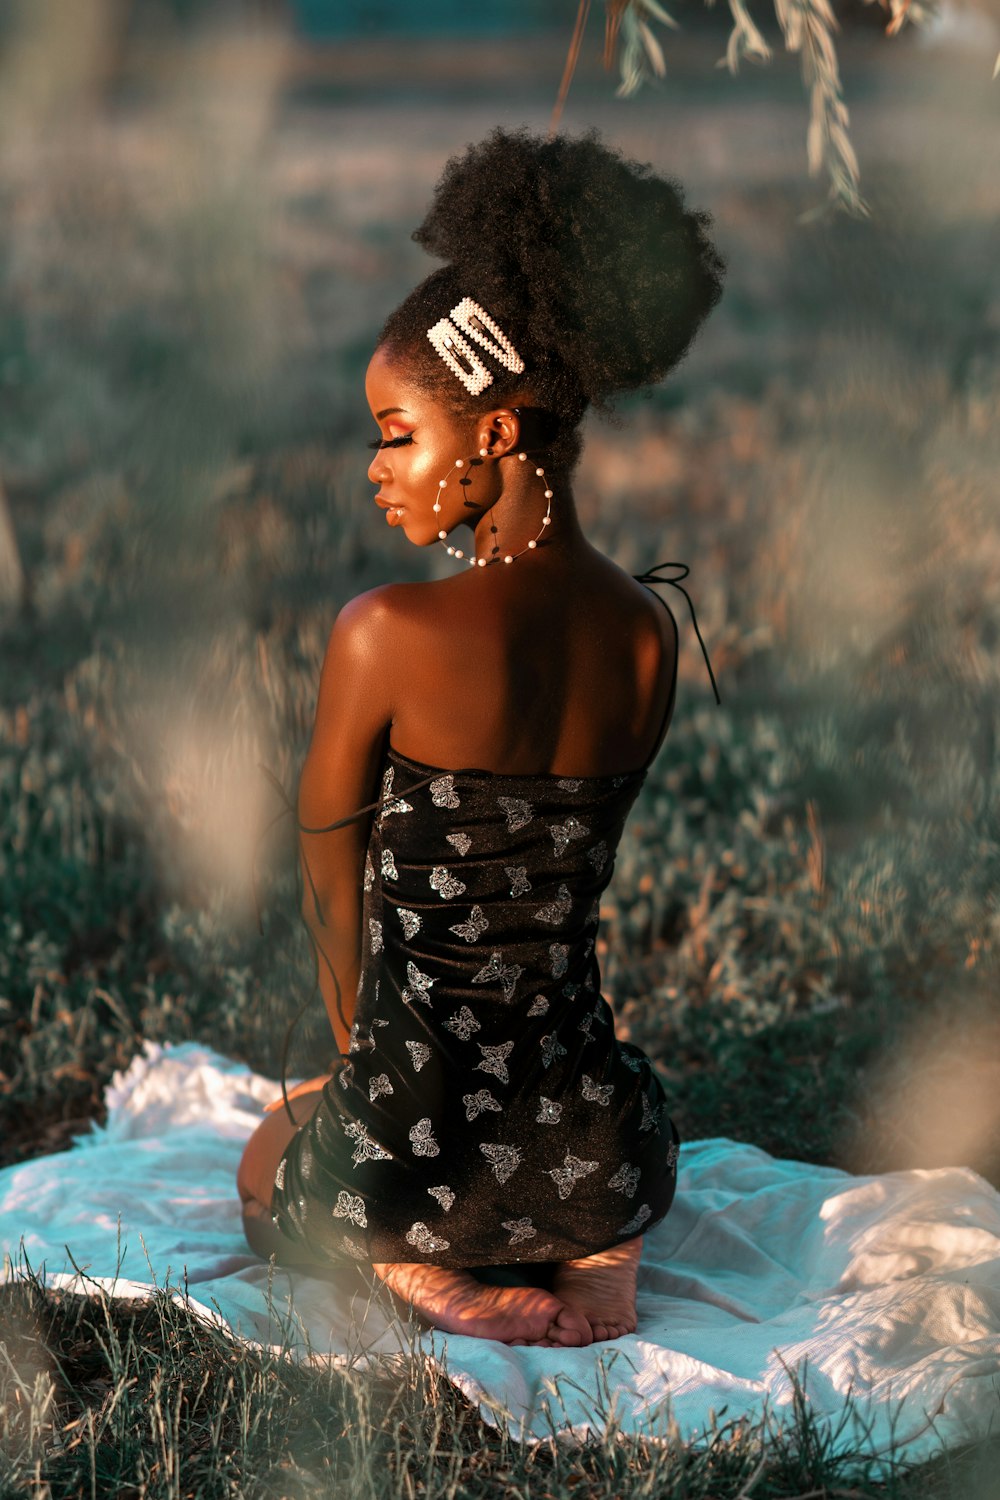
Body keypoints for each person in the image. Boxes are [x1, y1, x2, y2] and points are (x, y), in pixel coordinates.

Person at [237, 125, 725, 1349]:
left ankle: (414, 1270)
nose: (375, 468)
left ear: (495, 434)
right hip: (601, 1145)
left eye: (397, 433)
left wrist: (367, 1090)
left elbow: (330, 900)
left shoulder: (384, 632)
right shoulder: (647, 634)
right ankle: (596, 1253)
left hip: (417, 1137)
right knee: (551, 1108)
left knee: (263, 1160)